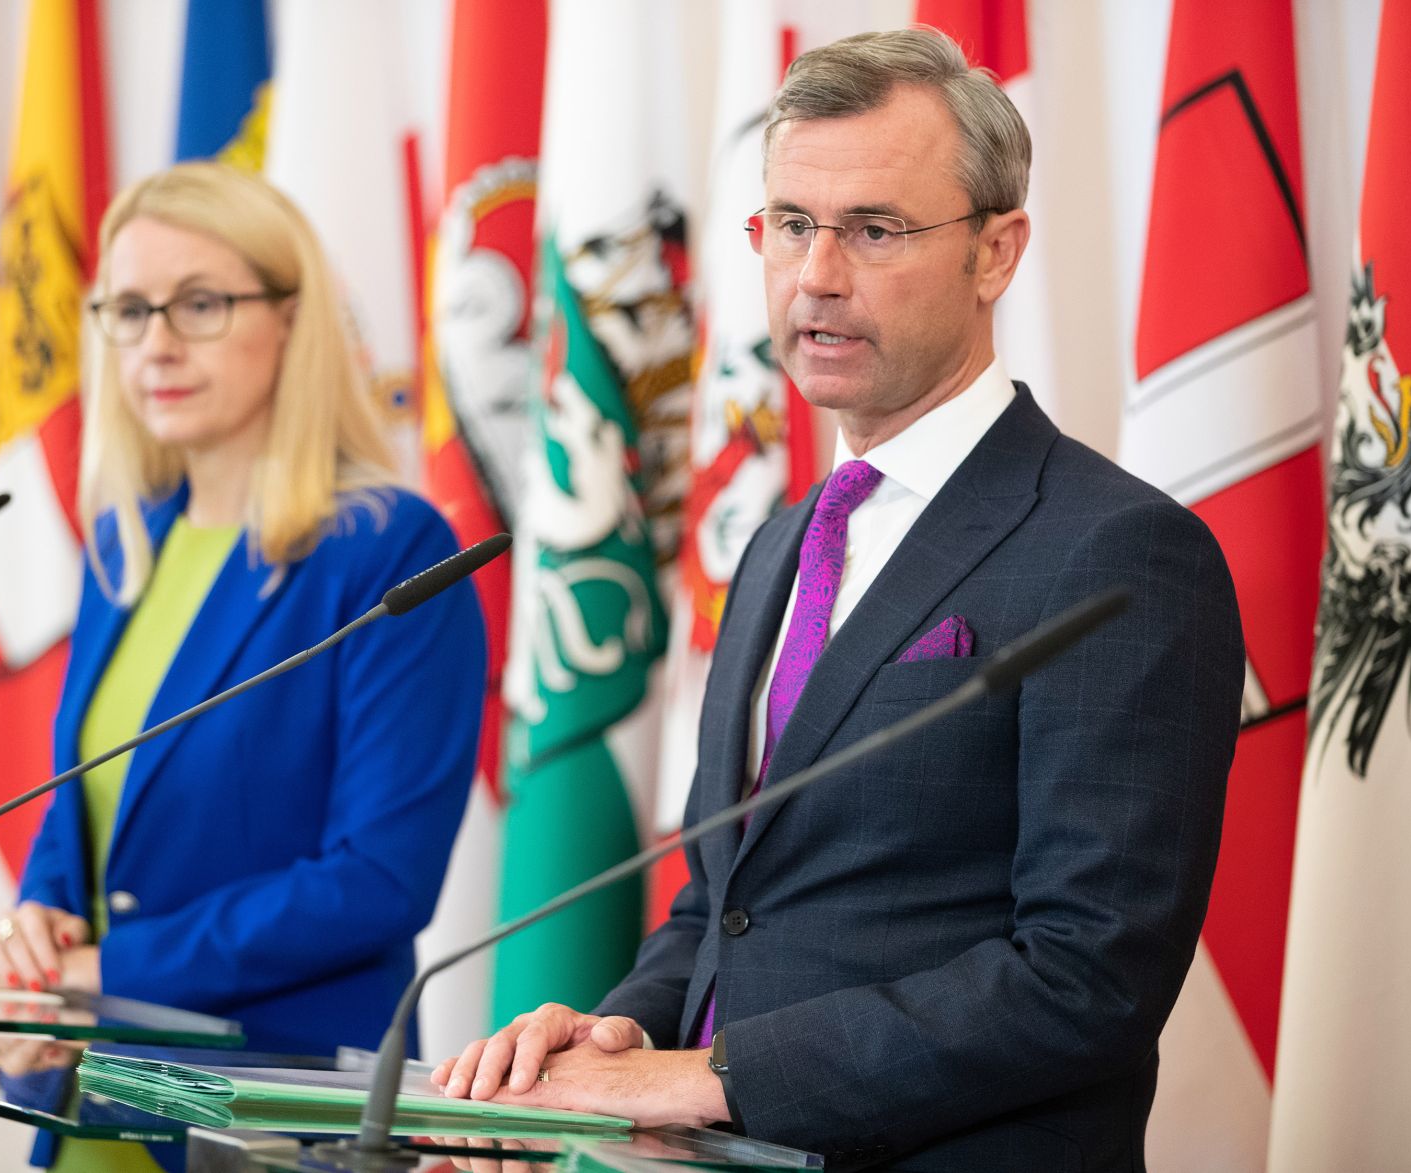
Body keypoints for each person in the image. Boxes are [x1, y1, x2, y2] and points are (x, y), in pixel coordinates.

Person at [433, 27, 1243, 1171]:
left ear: (996, 252)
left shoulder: (1117, 554)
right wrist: (623, 1028)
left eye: (873, 230)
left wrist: (715, 1077)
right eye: (790, 227)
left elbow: (1086, 974)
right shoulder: (779, 542)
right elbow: (725, 900)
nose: (815, 273)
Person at [0, 162, 485, 1169]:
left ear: (291, 318)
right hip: (83, 1101)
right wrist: (33, 928)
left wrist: (106, 965)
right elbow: (89, 806)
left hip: (265, 1112)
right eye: (129, 309)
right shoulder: (126, 547)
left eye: (198, 304)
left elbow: (376, 879)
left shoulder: (391, 552)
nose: (155, 343)